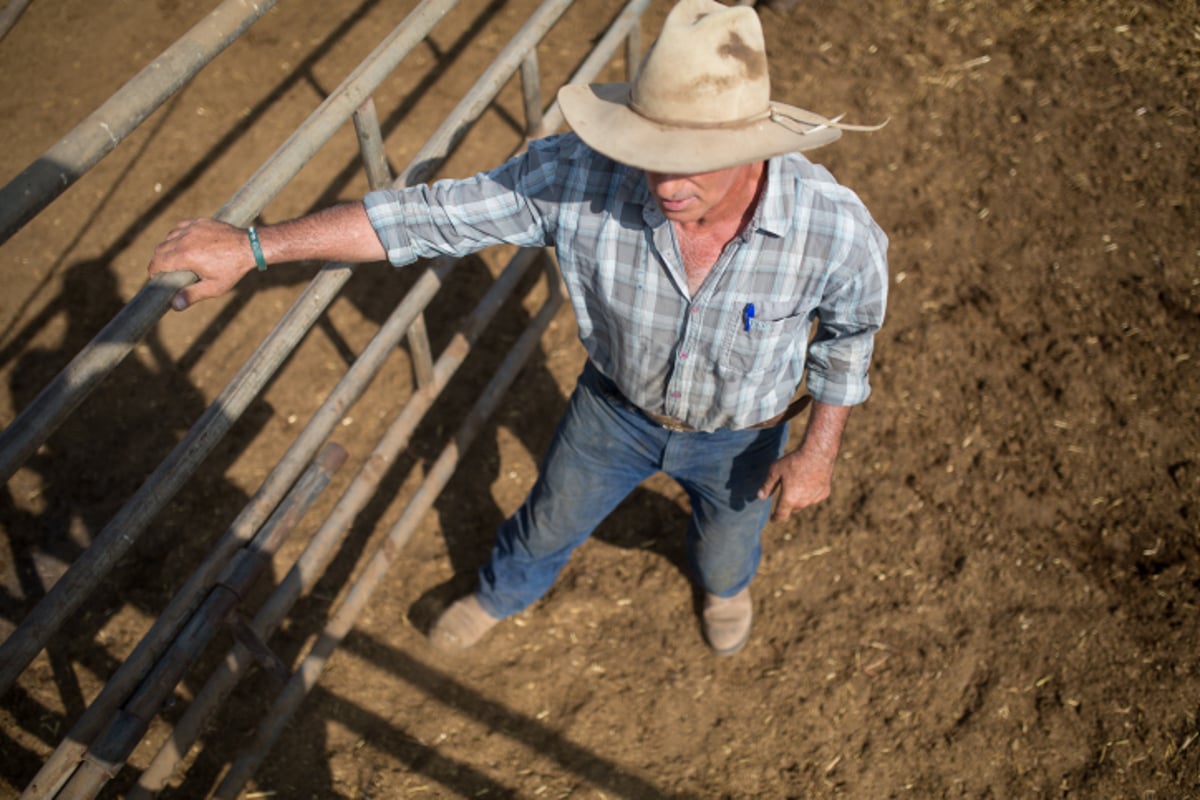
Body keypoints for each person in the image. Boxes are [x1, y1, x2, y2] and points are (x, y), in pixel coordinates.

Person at [148, 0, 888, 657]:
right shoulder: (581, 173)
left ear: (753, 147)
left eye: (691, 162)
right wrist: (254, 245)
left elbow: (850, 336)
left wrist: (818, 451)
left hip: (744, 432)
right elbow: (427, 216)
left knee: (730, 545)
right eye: (649, 152)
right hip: (614, 410)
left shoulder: (832, 228)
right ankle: (502, 594)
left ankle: (726, 589)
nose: (663, 183)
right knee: (547, 520)